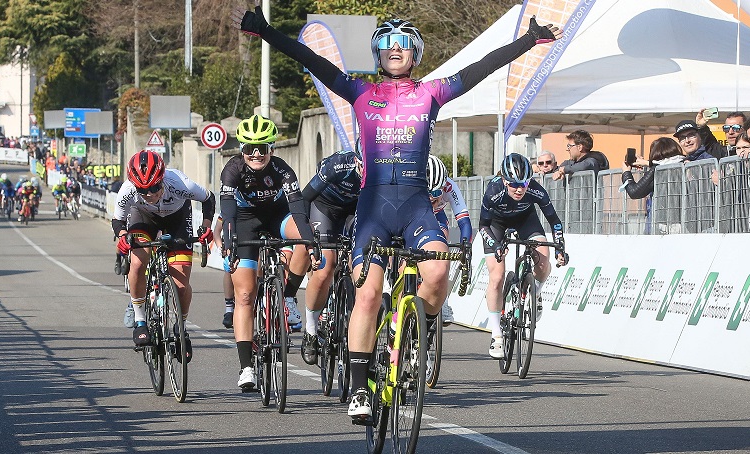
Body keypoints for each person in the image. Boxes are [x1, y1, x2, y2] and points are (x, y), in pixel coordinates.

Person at [235, 7, 563, 420]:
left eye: (403, 46)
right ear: (377, 54)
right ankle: (357, 390)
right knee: (368, 294)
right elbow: (312, 61)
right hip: (373, 210)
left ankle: (413, 328)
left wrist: (528, 40)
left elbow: (481, 67)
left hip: (415, 207)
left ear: (415, 55)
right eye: (387, 46)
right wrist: (266, 31)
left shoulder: (432, 93)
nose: (395, 51)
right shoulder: (359, 92)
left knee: (438, 273)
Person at [220, 115, 317, 390]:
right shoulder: (232, 170)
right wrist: (229, 240)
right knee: (246, 294)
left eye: (262, 148)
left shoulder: (283, 170)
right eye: (250, 148)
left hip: (278, 216)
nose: (256, 154)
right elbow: (227, 210)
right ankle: (246, 367)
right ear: (242, 149)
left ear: (271, 149)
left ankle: (287, 298)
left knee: (303, 237)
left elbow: (298, 209)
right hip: (245, 220)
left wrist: (310, 243)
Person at [114, 150, 215, 364]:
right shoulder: (128, 190)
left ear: (162, 179)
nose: (150, 194)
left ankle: (181, 327)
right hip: (143, 218)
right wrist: (123, 236)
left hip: (177, 218)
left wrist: (206, 227)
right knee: (138, 263)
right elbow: (118, 220)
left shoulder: (179, 182)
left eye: (154, 187)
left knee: (180, 285)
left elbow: (208, 199)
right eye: (143, 190)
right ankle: (140, 319)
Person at [480, 153, 568, 358]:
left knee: (544, 262)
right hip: (496, 225)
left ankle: (535, 292)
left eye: (524, 184)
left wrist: (560, 247)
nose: (520, 189)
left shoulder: (536, 190)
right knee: (497, 277)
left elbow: (554, 221)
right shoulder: (493, 191)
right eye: (513, 184)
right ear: (504, 180)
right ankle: (497, 335)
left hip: (526, 220)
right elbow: (483, 226)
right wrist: (495, 245)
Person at [299, 149, 362, 365]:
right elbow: (305, 197)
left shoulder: (381, 169)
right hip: (324, 207)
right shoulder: (338, 165)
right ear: (356, 161)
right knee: (326, 267)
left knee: (361, 264)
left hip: (356, 210)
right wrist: (307, 234)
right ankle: (310, 330)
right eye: (362, 167)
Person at [427, 154, 471, 326]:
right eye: (428, 192)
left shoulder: (450, 186)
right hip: (413, 215)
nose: (432, 197)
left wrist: (465, 247)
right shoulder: (413, 184)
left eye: (437, 192)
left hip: (437, 216)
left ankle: (443, 301)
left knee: (442, 240)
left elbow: (464, 221)